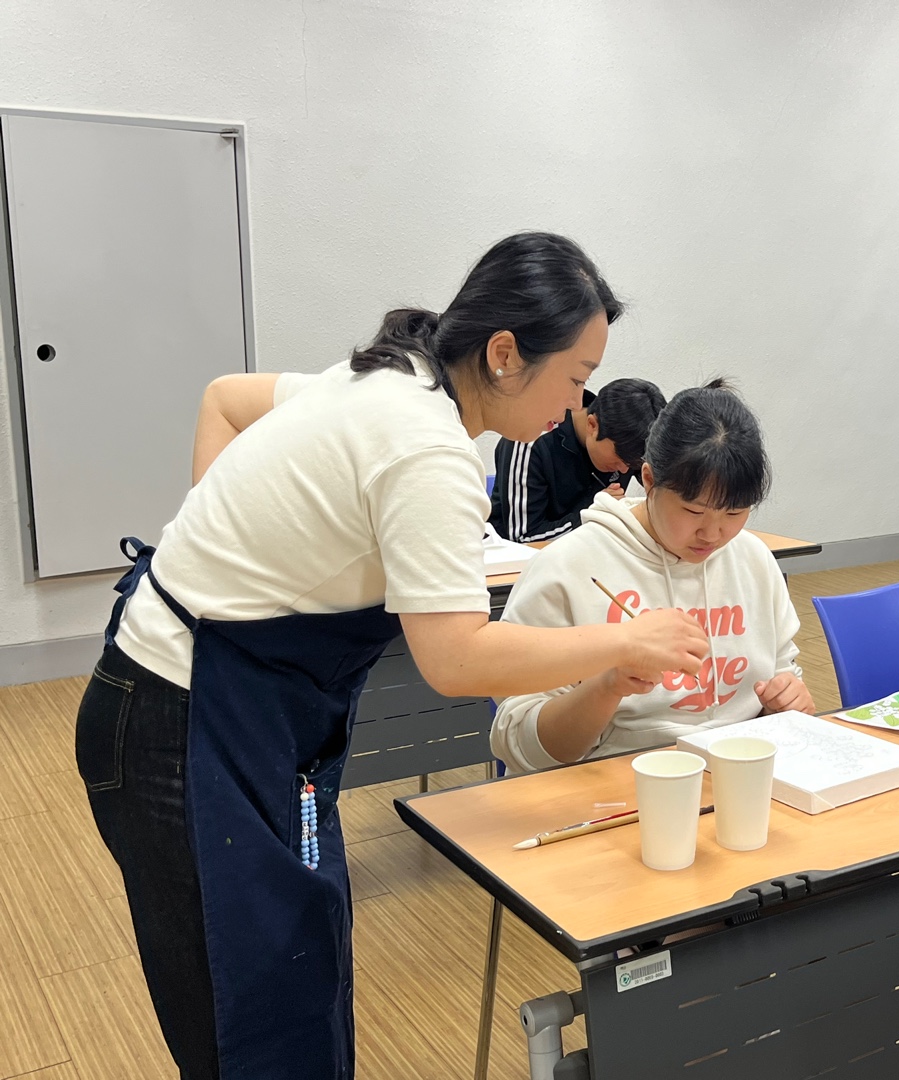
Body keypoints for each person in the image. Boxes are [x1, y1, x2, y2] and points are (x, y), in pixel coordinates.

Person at [73, 232, 708, 1080]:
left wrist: (225, 543)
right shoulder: (423, 442)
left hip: (241, 713)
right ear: (505, 354)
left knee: (299, 957)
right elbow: (455, 659)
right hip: (179, 719)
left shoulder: (389, 377)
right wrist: (626, 641)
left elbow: (224, 398)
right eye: (575, 377)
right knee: (246, 1006)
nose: (576, 403)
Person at [491, 380, 814, 773]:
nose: (713, 534)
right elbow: (520, 745)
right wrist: (608, 685)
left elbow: (783, 676)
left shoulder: (753, 559)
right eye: (694, 511)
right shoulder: (568, 568)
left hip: (736, 774)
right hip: (614, 782)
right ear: (648, 479)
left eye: (734, 513)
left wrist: (785, 704)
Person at [490, 376, 666, 541]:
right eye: (620, 458)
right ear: (592, 425)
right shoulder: (530, 440)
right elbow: (523, 538)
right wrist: (593, 514)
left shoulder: (631, 438)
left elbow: (669, 493)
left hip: (594, 551)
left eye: (632, 463)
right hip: (517, 558)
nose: (624, 469)